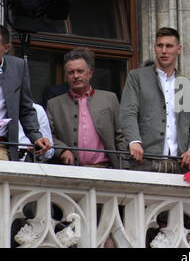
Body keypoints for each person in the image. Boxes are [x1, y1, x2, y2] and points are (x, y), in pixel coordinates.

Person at [119, 27, 190, 173]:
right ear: (154, 48)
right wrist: (134, 141)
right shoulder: (137, 77)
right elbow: (128, 112)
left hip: (179, 164)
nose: (164, 51)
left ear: (179, 49)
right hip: (144, 160)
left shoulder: (187, 85)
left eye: (169, 46)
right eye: (159, 45)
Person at [46, 47, 126, 169]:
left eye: (80, 71)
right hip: (70, 172)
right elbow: (48, 135)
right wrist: (62, 150)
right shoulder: (54, 104)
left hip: (105, 169)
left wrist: (124, 168)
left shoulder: (109, 99)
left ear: (90, 73)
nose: (76, 76)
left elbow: (120, 135)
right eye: (71, 72)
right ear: (66, 76)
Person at [0, 25, 51, 161]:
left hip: (2, 146)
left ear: (6, 48)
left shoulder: (18, 67)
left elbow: (26, 109)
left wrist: (36, 136)